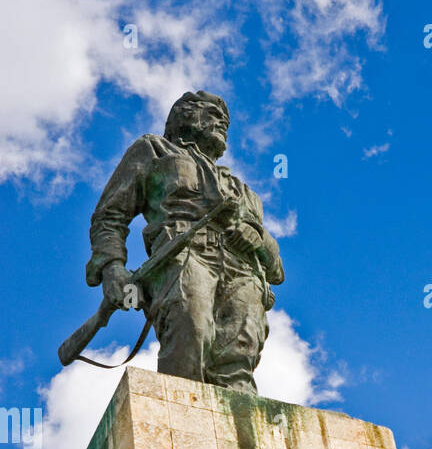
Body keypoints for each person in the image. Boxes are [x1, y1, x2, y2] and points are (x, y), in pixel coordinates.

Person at [85, 90, 284, 393]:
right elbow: (110, 216)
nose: (222, 123)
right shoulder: (154, 150)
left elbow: (276, 270)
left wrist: (257, 239)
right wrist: (113, 267)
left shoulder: (243, 191)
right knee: (192, 333)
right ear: (186, 116)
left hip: (244, 271)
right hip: (185, 255)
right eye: (214, 115)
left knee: (240, 355)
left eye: (225, 121)